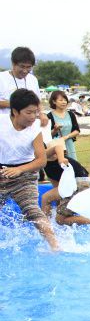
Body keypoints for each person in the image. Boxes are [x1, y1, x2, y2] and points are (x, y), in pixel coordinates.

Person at [0, 89, 58, 250]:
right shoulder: (1, 123)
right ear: (15, 111)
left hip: (25, 174)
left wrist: (20, 170)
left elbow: (41, 160)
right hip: (1, 172)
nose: (33, 117)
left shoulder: (35, 129)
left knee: (32, 210)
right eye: (29, 112)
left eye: (36, 112)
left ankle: (55, 246)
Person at [0, 47, 48, 127]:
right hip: (4, 126)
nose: (25, 70)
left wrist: (42, 113)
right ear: (13, 64)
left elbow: (38, 102)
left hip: (28, 126)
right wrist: (17, 104)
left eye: (29, 67)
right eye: (22, 66)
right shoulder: (1, 78)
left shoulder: (33, 79)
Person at [47, 90, 80, 161]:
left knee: (73, 165)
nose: (64, 102)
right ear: (54, 102)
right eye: (61, 100)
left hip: (70, 145)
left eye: (65, 100)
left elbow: (77, 130)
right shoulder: (49, 116)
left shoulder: (71, 114)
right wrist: (55, 130)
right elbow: (47, 136)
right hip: (56, 146)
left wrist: (66, 137)